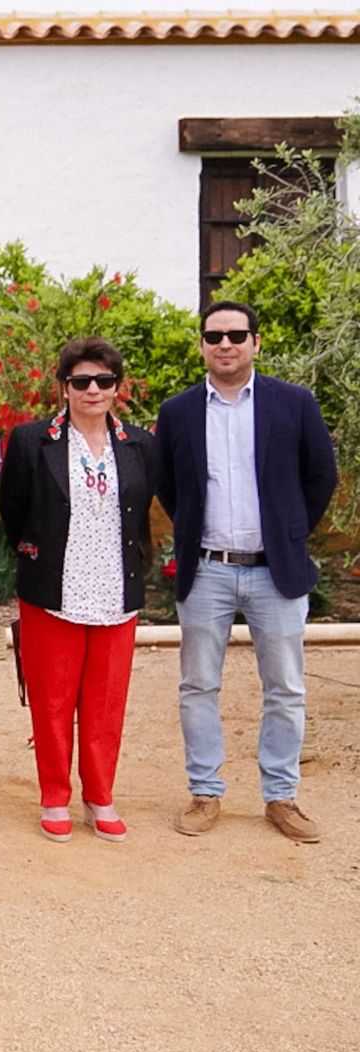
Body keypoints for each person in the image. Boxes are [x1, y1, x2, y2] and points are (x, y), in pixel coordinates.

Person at [156, 299, 337, 842]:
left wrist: (289, 531)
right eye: (215, 336)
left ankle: (281, 797)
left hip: (275, 570)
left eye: (237, 334)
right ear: (203, 346)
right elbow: (169, 483)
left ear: (256, 342)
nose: (226, 344)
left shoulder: (293, 403)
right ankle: (205, 791)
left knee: (285, 687)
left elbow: (320, 476)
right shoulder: (178, 411)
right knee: (198, 684)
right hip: (207, 568)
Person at [0, 338, 159, 842]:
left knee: (105, 702)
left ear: (117, 387)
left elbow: (142, 514)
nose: (93, 390)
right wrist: (34, 555)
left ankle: (100, 796)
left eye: (104, 381)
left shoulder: (139, 443)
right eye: (81, 381)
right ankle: (54, 796)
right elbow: (13, 509)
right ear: (64, 387)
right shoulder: (32, 440)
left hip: (115, 584)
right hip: (53, 586)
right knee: (52, 700)